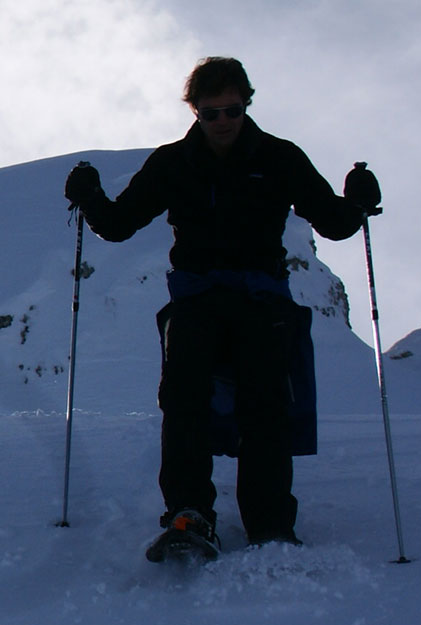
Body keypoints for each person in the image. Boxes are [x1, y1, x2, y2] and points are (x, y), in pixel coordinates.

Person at [64, 56, 379, 559]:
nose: (223, 121)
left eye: (231, 110)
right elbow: (121, 223)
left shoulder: (279, 157)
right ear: (195, 112)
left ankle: (269, 522)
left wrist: (357, 204)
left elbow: (332, 222)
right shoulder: (173, 163)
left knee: (265, 409)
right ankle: (191, 513)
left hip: (260, 300)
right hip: (198, 299)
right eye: (211, 113)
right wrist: (93, 199)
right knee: (184, 403)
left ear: (246, 104)